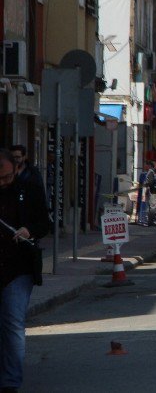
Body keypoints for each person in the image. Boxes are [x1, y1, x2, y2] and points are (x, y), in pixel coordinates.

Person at [0, 148, 49, 393]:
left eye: (7, 177)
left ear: (16, 170)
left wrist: (29, 230)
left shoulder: (28, 189)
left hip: (18, 267)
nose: (3, 183)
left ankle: (10, 382)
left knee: (12, 321)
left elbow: (44, 223)